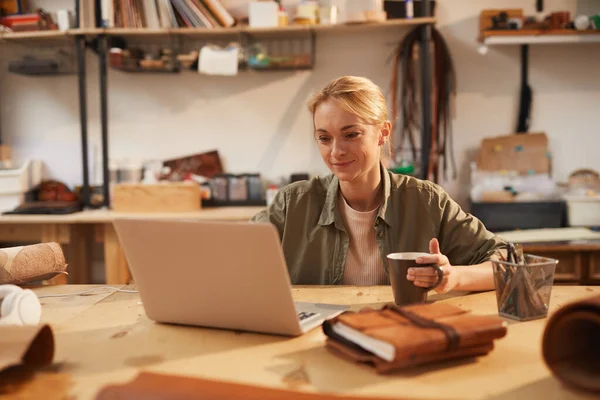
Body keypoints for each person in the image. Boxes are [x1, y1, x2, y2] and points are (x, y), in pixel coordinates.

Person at [251, 76, 504, 293]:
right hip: (314, 340)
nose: (336, 151)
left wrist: (453, 277)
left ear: (383, 133)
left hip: (399, 335)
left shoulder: (426, 201)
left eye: (351, 134)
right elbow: (235, 260)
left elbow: (506, 261)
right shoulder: (292, 204)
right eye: (324, 138)